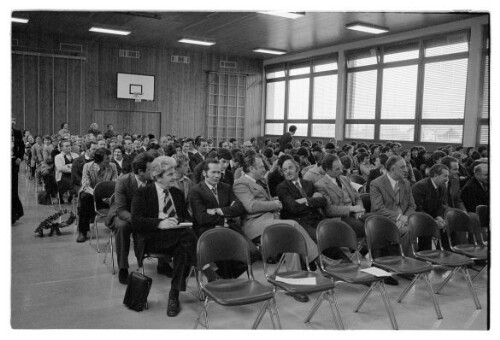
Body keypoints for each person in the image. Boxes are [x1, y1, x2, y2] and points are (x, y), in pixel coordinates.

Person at [131, 156, 197, 317]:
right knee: (188, 239)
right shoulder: (143, 193)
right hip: (153, 237)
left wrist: (185, 222)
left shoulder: (176, 193)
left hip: (177, 235)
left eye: (174, 173)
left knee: (184, 246)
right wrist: (160, 223)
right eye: (169, 174)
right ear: (157, 175)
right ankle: (206, 268)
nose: (174, 177)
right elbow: (136, 221)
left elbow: (183, 217)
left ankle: (174, 293)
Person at [232, 154, 318, 270]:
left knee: (291, 237)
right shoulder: (240, 183)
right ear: (251, 169)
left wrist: (274, 201)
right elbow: (251, 206)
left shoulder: (260, 181)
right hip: (256, 225)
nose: (265, 169)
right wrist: (274, 204)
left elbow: (265, 201)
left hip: (271, 220)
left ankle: (295, 275)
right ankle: (317, 259)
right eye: (261, 166)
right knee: (293, 225)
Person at [189, 159, 258, 279]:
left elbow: (239, 208)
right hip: (207, 230)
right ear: (205, 173)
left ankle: (225, 277)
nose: (217, 176)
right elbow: (201, 217)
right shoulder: (196, 191)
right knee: (225, 255)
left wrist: (217, 210)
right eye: (213, 172)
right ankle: (225, 279)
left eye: (219, 172)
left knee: (253, 253)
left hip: (230, 227)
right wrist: (224, 217)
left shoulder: (226, 187)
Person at [105, 152, 154, 284]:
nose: (154, 171)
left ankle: (163, 263)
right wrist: (139, 221)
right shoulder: (123, 180)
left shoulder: (153, 181)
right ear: (140, 171)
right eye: (151, 169)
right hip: (123, 213)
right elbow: (120, 209)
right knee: (122, 226)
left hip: (142, 216)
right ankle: (123, 267)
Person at [370, 155, 416, 259]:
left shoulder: (406, 183)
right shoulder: (376, 184)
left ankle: (408, 262)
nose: (406, 169)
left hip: (403, 221)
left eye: (406, 166)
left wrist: (404, 218)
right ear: (392, 169)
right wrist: (398, 217)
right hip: (384, 221)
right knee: (410, 231)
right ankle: (405, 264)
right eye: (403, 167)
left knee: (418, 227)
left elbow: (412, 205)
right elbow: (378, 209)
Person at [314, 154, 367, 241]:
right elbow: (329, 210)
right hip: (341, 217)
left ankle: (374, 252)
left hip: (356, 213)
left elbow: (357, 197)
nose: (342, 171)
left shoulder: (344, 179)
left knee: (377, 221)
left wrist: (359, 209)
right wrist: (352, 209)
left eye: (341, 167)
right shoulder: (320, 185)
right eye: (337, 169)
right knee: (365, 228)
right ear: (327, 170)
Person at [276, 159, 326, 242]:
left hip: (316, 217)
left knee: (333, 230)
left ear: (297, 169)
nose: (288, 172)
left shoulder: (308, 184)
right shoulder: (282, 187)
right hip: (301, 221)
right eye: (285, 170)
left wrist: (305, 200)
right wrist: (313, 201)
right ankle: (340, 255)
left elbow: (323, 201)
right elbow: (293, 208)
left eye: (290, 168)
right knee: (321, 238)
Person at [77, 148, 117, 243]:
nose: (109, 160)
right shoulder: (87, 166)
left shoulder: (113, 166)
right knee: (85, 197)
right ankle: (82, 231)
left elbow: (115, 183)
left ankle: (117, 226)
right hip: (91, 195)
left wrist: (109, 196)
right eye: (107, 158)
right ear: (99, 160)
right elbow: (86, 185)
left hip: (108, 196)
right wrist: (97, 195)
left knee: (119, 197)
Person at [411, 164, 450, 250]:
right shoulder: (420, 187)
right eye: (445, 176)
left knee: (447, 226)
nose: (447, 179)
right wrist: (434, 221)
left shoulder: (442, 187)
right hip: (419, 218)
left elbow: (439, 206)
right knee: (427, 227)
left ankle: (445, 254)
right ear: (436, 175)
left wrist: (439, 217)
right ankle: (426, 257)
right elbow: (418, 209)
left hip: (432, 217)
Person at [54, 139, 79, 204]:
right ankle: (60, 195)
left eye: (69, 145)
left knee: (78, 181)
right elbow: (60, 168)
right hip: (63, 176)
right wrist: (72, 168)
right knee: (70, 182)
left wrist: (68, 166)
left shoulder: (76, 155)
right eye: (66, 146)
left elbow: (78, 166)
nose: (69, 147)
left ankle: (72, 195)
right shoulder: (58, 157)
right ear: (62, 148)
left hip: (74, 175)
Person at [11, 118, 25, 224]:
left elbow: (22, 146)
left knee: (13, 189)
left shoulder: (17, 133)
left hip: (13, 162)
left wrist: (20, 157)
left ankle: (14, 214)